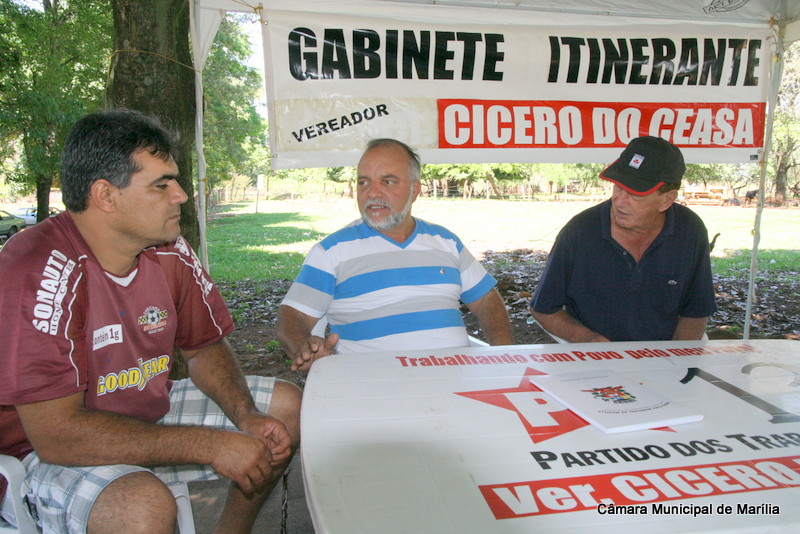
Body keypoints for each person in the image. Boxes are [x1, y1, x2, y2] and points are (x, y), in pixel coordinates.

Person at [0, 109, 301, 534]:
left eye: (175, 180)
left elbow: (203, 347)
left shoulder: (170, 250)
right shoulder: (36, 268)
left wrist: (245, 415)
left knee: (283, 409)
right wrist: (209, 444)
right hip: (37, 454)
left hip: (142, 413)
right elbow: (56, 434)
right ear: (105, 195)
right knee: (141, 505)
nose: (180, 194)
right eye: (162, 185)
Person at [277, 138, 513, 370]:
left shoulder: (445, 241)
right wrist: (303, 347)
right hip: (375, 387)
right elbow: (293, 315)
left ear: (415, 190)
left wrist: (504, 354)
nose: (372, 193)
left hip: (454, 381)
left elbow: (485, 300)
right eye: (363, 182)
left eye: (388, 182)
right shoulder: (331, 251)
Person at [530, 136, 716, 342]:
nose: (620, 202)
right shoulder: (580, 231)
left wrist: (677, 361)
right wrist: (589, 341)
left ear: (667, 200)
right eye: (618, 187)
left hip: (664, 356)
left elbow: (696, 310)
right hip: (592, 356)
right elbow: (543, 308)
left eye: (635, 194)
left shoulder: (690, 230)